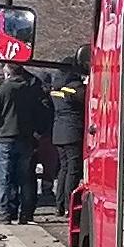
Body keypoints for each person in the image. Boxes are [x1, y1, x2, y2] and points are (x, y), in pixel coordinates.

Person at [0, 61, 41, 224]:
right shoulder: (31, 90)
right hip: (25, 139)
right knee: (24, 178)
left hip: (5, 138)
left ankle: (5, 212)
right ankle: (25, 213)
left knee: (5, 178)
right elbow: (41, 110)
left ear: (8, 74)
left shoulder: (3, 89)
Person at [46, 68, 85, 222]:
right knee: (73, 170)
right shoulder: (74, 87)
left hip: (58, 133)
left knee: (63, 169)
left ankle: (59, 205)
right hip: (72, 133)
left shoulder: (55, 88)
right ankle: (70, 206)